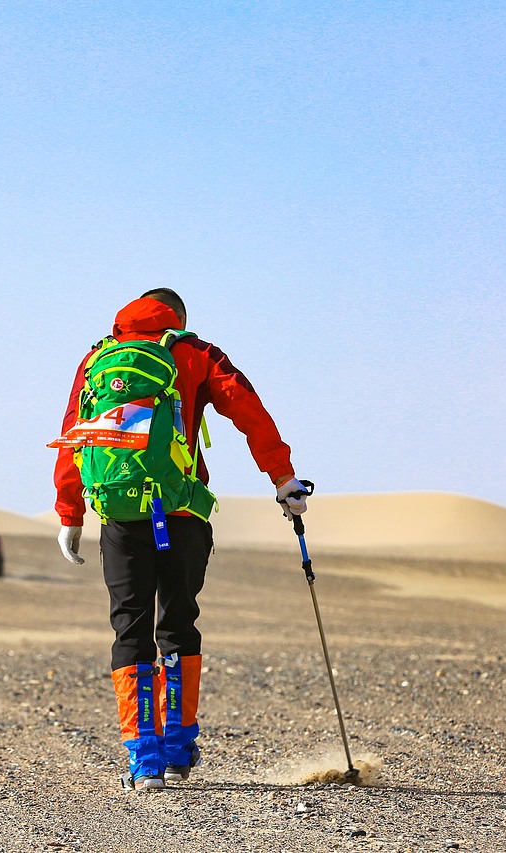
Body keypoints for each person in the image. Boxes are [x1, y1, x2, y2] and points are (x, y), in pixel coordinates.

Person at [51, 288, 310, 792]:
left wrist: (70, 512)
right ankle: (176, 750)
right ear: (180, 319)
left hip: (120, 516)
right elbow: (248, 411)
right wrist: (283, 477)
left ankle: (143, 762)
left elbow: (75, 432)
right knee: (177, 624)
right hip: (183, 512)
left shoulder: (97, 358)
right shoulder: (195, 352)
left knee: (130, 628)